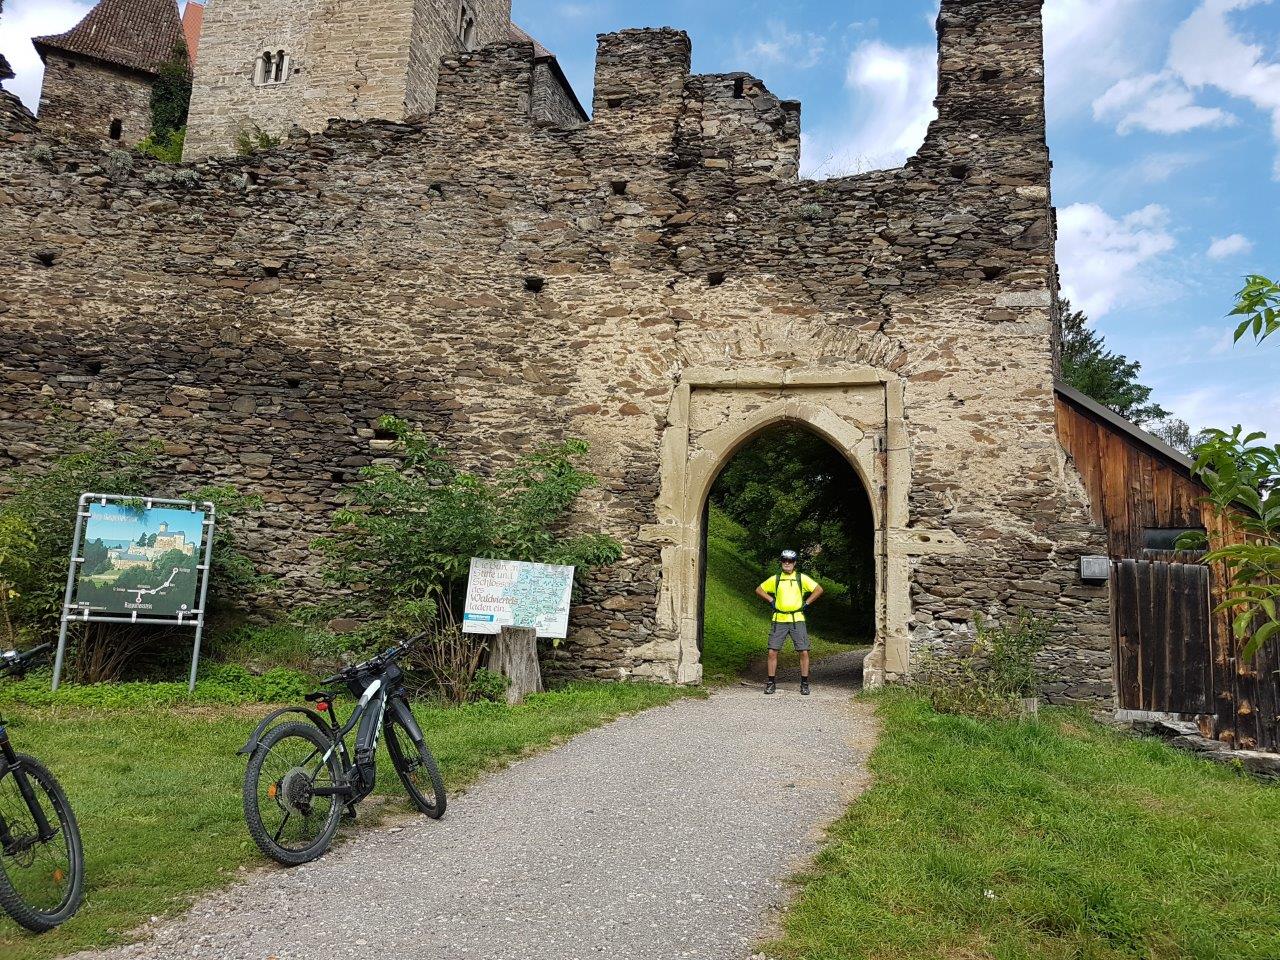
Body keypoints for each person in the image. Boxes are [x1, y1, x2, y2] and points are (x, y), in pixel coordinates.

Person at [755, 549, 823, 695]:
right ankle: (770, 682)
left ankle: (804, 683)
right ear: (781, 562)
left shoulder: (801, 578)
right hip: (779, 619)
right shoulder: (776, 579)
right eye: (784, 560)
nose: (787, 563)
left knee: (803, 651)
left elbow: (818, 589)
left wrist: (807, 603)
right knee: (772, 651)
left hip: (797, 619)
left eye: (790, 561)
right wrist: (771, 599)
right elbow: (759, 589)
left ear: (795, 563)